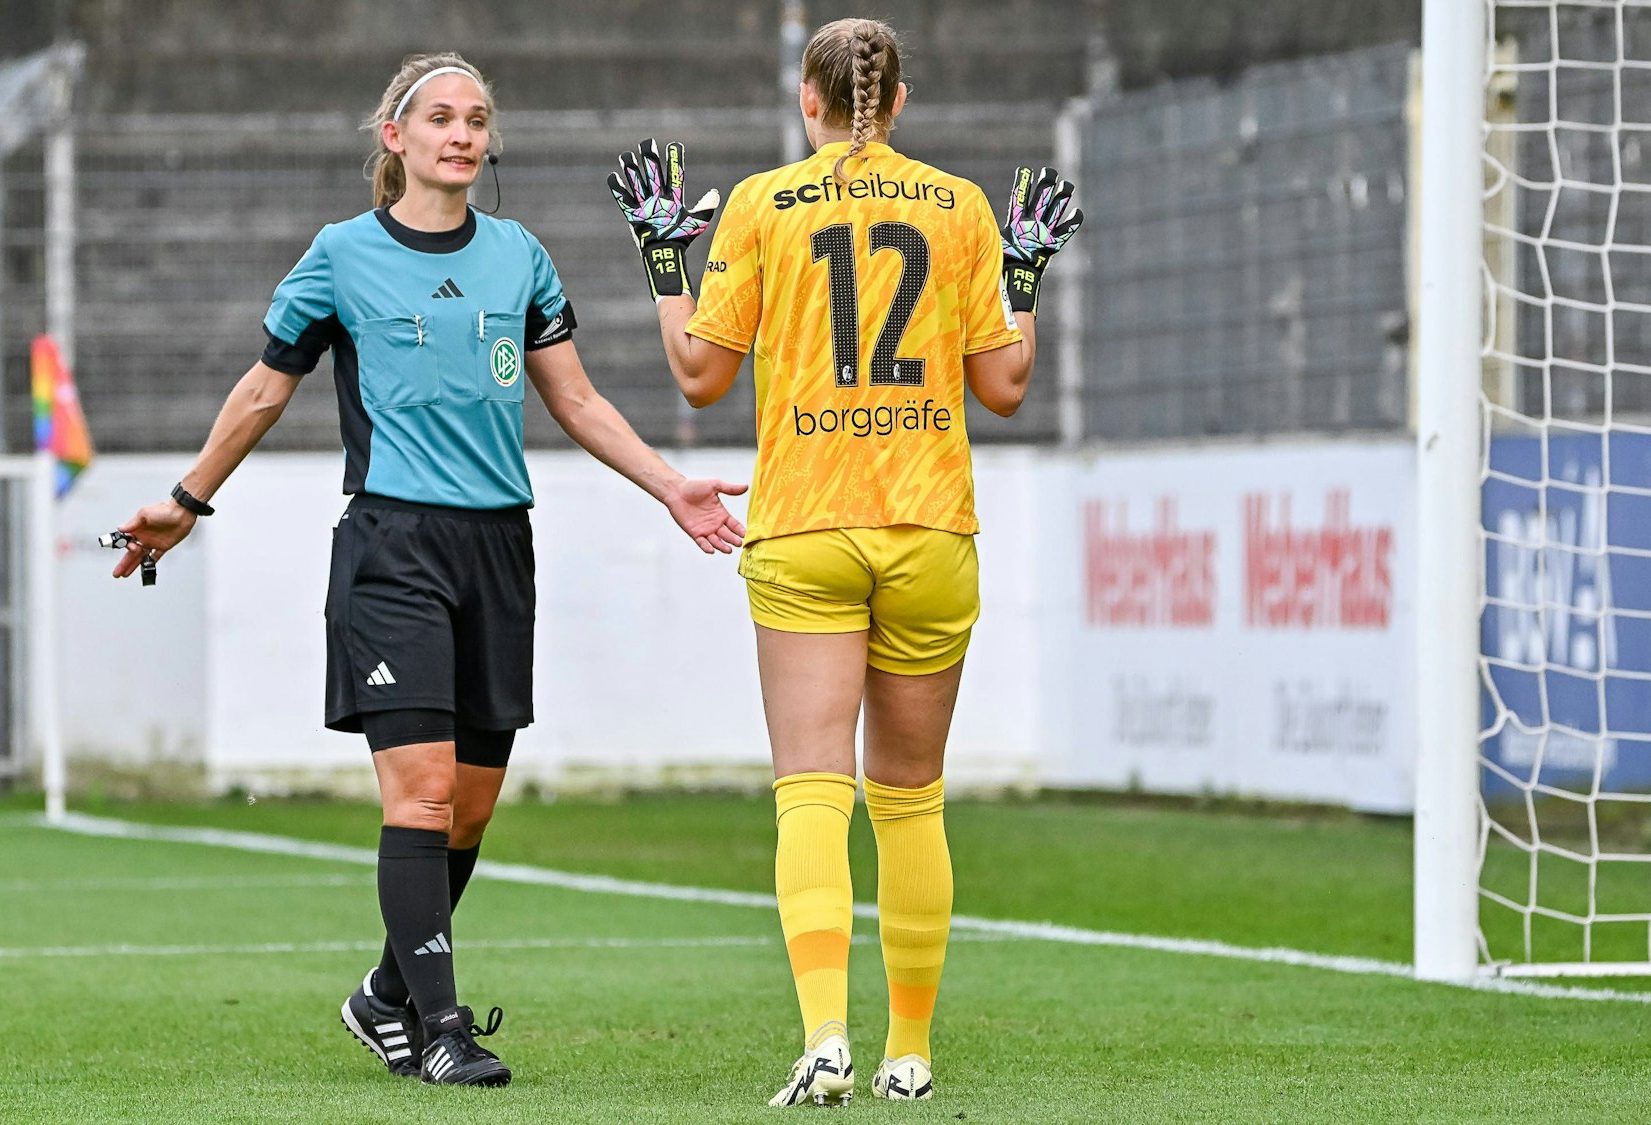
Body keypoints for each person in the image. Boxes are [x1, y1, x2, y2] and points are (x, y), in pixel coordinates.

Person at [110, 52, 747, 1089]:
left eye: (476, 118)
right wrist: (185, 505)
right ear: (394, 138)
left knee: (471, 810)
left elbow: (575, 401)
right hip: (393, 549)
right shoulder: (339, 256)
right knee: (421, 794)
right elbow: (263, 394)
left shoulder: (519, 257)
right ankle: (443, 1027)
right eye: (439, 117)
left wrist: (669, 486)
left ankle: (383, 996)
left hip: (498, 547)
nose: (461, 133)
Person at [606, 17, 1082, 1107]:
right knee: (909, 798)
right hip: (925, 526)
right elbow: (1004, 387)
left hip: (808, 528)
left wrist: (661, 258)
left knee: (810, 794)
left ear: (804, 103)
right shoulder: (958, 206)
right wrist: (1024, 274)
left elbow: (697, 378)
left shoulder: (761, 204)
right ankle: (907, 1057)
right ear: (899, 102)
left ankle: (825, 1041)